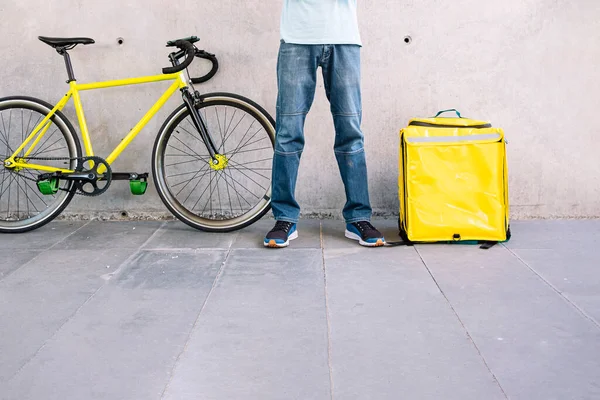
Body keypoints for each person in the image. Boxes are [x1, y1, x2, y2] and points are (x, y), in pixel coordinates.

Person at [264, 0, 385, 248]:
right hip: (297, 38)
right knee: (288, 133)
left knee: (350, 132)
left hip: (344, 38)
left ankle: (358, 218)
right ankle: (284, 218)